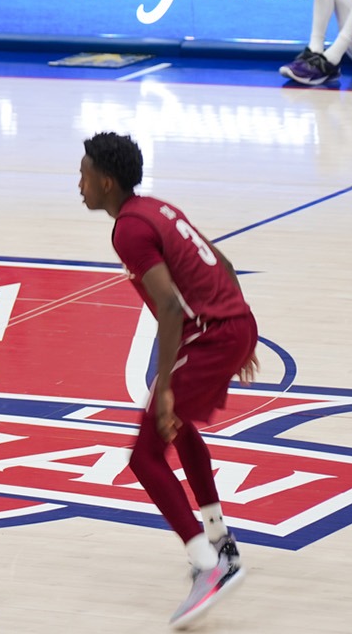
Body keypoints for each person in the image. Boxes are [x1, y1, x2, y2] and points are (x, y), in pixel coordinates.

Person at [75, 131, 258, 629]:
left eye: (85, 175)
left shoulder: (128, 231)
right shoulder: (155, 208)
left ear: (107, 182)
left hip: (210, 335)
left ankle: (208, 565)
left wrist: (167, 384)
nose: (80, 184)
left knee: (145, 454)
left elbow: (171, 306)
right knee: (181, 430)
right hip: (232, 325)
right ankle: (220, 540)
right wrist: (238, 326)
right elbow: (223, 263)